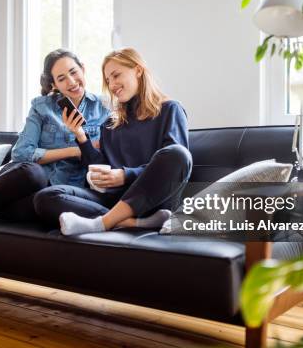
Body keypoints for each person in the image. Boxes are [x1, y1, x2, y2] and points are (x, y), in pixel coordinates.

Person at [0, 49, 110, 230]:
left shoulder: (104, 109)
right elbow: (21, 153)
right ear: (54, 84)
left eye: (73, 72)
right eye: (61, 78)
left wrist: (81, 139)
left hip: (62, 189)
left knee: (43, 203)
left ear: (83, 69)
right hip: (26, 181)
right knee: (33, 173)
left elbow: (98, 160)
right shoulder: (41, 106)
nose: (71, 82)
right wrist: (75, 150)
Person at [33, 48, 192, 235]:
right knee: (46, 197)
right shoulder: (111, 122)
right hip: (113, 198)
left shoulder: (170, 110)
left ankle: (104, 222)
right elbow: (100, 166)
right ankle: (133, 222)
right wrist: (80, 135)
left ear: (138, 70)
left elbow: (174, 166)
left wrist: (125, 175)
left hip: (152, 200)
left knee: (178, 154)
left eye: (116, 75)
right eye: (108, 80)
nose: (112, 84)